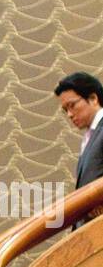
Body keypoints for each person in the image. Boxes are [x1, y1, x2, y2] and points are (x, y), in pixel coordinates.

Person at [55, 72, 103, 228]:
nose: (69, 114)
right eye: (65, 110)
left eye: (72, 105)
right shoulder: (92, 134)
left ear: (93, 99)